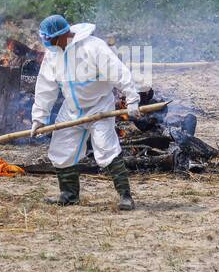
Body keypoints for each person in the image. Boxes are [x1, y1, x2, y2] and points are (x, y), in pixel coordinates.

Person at [30, 15, 141, 210]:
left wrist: (132, 99)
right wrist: (39, 118)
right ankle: (69, 195)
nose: (47, 43)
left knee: (106, 148)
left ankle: (125, 196)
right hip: (72, 108)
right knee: (60, 149)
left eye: (50, 39)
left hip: (100, 106)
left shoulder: (93, 47)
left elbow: (119, 72)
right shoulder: (53, 54)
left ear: (63, 35)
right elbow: (45, 87)